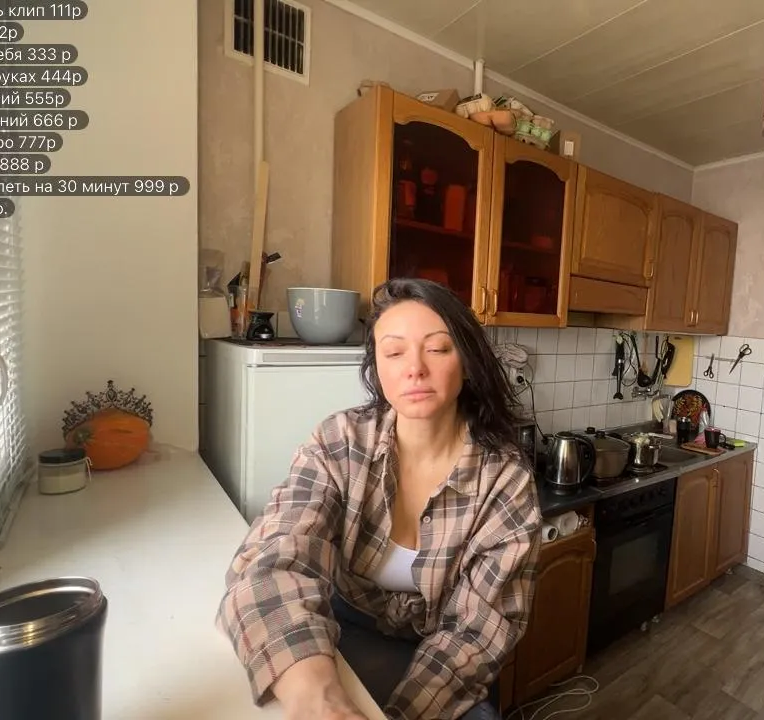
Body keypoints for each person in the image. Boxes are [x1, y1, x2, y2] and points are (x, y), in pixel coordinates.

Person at [216, 278, 542, 720]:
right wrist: (317, 697)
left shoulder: (505, 477)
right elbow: (274, 559)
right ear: (377, 370)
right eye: (394, 353)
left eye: (438, 348)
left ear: (467, 363)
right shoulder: (340, 441)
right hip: (343, 625)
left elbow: (479, 629)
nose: (415, 369)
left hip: (448, 654)